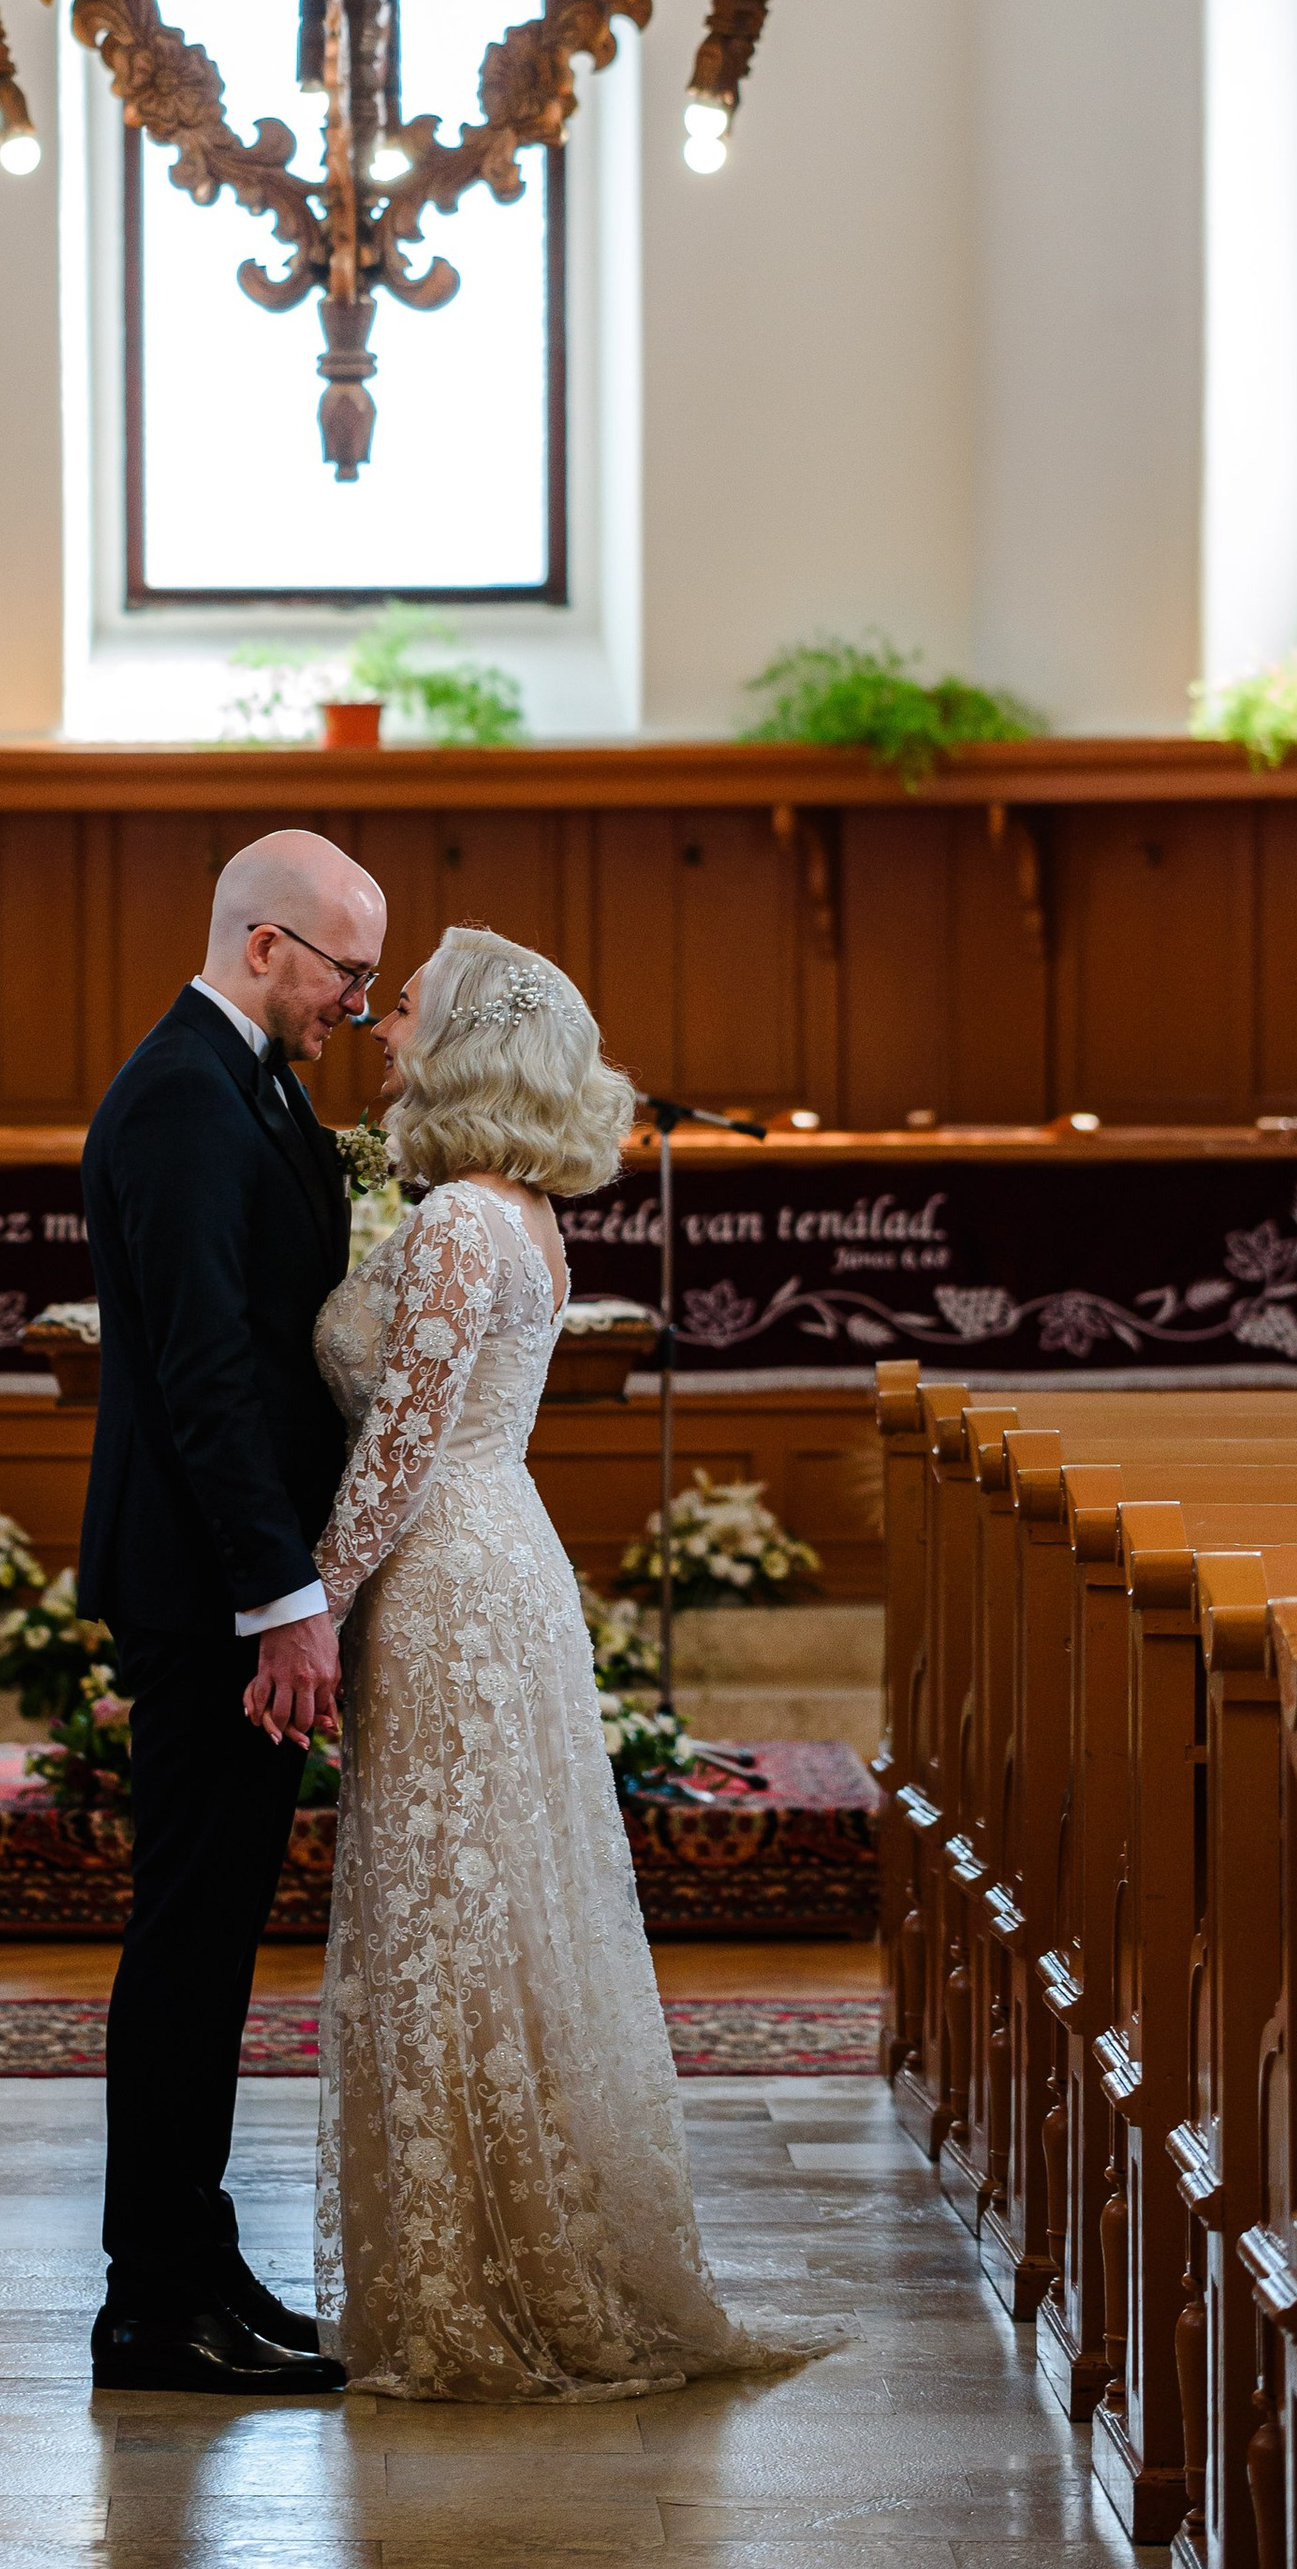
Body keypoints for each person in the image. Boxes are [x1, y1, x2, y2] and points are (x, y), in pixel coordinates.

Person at [286, 923, 834, 2400]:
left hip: (445, 1570)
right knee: (484, 1906)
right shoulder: (510, 1207)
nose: (381, 1029)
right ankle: (493, 2242)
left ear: (469, 1041)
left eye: (403, 1010)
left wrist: (308, 1610)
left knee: (454, 1913)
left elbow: (398, 1447)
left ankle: (483, 2276)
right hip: (492, 1552)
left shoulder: (466, 1218)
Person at [77, 826, 384, 2397]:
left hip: (227, 1583)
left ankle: (196, 2260)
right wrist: (284, 1601)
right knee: (189, 1944)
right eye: (346, 971)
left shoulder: (246, 1080)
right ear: (266, 944)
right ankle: (149, 2302)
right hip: (210, 1594)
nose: (358, 1002)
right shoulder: (187, 1097)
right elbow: (206, 1375)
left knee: (210, 1941)